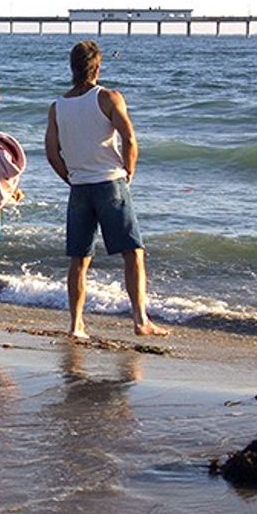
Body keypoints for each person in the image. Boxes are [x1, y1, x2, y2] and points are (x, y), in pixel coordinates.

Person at [45, 40, 168, 340]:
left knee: (79, 260)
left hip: (80, 187)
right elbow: (129, 138)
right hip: (109, 181)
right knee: (133, 252)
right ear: (97, 67)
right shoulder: (109, 98)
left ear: (72, 68)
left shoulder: (57, 107)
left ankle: (76, 324)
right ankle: (140, 319)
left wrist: (71, 178)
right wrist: (129, 172)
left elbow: (51, 152)